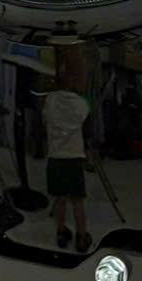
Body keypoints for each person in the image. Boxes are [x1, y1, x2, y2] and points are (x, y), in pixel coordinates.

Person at [43, 63, 92, 252]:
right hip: (74, 157)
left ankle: (61, 232)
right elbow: (85, 115)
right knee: (77, 200)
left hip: (55, 157)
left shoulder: (50, 100)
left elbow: (44, 118)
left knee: (60, 199)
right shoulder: (80, 103)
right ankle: (82, 237)